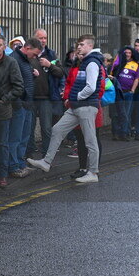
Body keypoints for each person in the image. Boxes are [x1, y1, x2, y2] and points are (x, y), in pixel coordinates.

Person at [27, 35, 104, 184]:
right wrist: (73, 98)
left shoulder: (92, 63)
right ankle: (46, 162)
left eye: (81, 44)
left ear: (89, 46)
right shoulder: (84, 62)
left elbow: (92, 87)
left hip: (86, 107)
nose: (79, 47)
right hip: (76, 106)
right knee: (57, 129)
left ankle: (93, 172)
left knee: (90, 141)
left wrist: (77, 97)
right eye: (78, 44)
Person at [0, 35, 23, 188]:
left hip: (3, 110)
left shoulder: (11, 62)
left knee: (2, 144)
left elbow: (19, 86)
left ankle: (2, 176)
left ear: (4, 47)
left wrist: (4, 100)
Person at [9, 38, 41, 178]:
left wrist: (32, 76)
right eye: (34, 54)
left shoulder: (25, 60)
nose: (35, 57)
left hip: (27, 103)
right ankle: (14, 166)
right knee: (15, 137)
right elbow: (12, 82)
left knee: (24, 137)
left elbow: (23, 80)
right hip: (19, 104)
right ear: (27, 48)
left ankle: (20, 164)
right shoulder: (14, 59)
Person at [30, 28, 63, 158]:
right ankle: (29, 154)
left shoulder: (51, 55)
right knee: (29, 128)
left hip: (46, 97)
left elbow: (60, 73)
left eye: (45, 38)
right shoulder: (29, 53)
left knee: (46, 128)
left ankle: (47, 155)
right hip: (30, 97)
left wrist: (50, 65)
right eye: (40, 38)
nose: (43, 41)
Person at [110, 46, 139, 140]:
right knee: (115, 114)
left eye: (129, 53)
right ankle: (115, 133)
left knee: (125, 114)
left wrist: (133, 90)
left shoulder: (135, 65)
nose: (127, 54)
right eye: (125, 52)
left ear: (132, 54)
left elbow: (136, 78)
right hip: (117, 92)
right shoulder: (117, 63)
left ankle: (124, 133)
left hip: (128, 93)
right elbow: (111, 75)